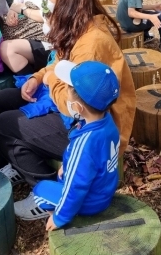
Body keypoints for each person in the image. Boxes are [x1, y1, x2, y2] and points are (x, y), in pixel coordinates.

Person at [0, 0, 136, 220]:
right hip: (74, 108)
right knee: (3, 101)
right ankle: (18, 158)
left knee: (5, 124)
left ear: (66, 0)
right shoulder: (80, 26)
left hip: (91, 129)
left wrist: (50, 80)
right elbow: (58, 64)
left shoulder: (90, 44)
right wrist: (37, 77)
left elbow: (74, 105)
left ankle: (49, 193)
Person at [32, 60, 120, 229]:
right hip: (104, 190)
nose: (65, 90)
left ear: (79, 108)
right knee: (64, 175)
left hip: (90, 202)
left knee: (40, 190)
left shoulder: (84, 144)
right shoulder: (108, 123)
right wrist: (67, 166)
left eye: (67, 89)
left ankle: (63, 218)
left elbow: (76, 187)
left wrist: (60, 218)